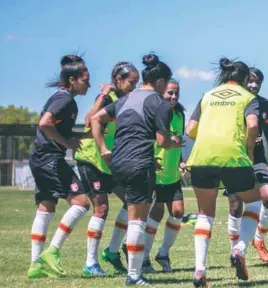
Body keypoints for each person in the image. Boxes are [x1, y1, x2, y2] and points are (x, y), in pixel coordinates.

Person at [91, 53, 182, 285]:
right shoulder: (159, 103)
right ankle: (134, 275)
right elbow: (162, 141)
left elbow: (95, 119)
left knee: (132, 214)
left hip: (119, 163)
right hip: (139, 162)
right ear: (161, 81)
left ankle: (118, 256)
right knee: (138, 221)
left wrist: (103, 149)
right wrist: (175, 143)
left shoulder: (126, 98)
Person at [185, 58, 261, 287]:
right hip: (233, 156)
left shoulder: (207, 96)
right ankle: (239, 249)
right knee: (255, 203)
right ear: (246, 79)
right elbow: (253, 125)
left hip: (201, 156)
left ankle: (199, 270)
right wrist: (249, 149)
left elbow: (190, 130)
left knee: (204, 214)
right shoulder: (248, 98)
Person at [27, 55, 91, 279]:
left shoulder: (63, 98)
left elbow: (55, 127)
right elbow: (44, 123)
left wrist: (78, 136)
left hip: (40, 157)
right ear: (72, 80)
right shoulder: (65, 99)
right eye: (86, 79)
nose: (89, 84)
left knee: (46, 207)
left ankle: (35, 265)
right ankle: (52, 251)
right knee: (82, 203)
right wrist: (66, 143)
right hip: (50, 159)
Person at [75, 61, 139, 276]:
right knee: (101, 209)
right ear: (118, 80)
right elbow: (87, 120)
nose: (134, 86)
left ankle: (112, 251)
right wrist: (102, 94)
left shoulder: (126, 101)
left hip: (111, 163)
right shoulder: (107, 98)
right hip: (93, 159)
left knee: (132, 200)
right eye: (131, 82)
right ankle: (90, 263)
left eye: (136, 83)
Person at [225, 67, 268, 263]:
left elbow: (266, 128)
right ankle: (235, 253)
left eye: (258, 82)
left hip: (257, 159)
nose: (254, 85)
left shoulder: (265, 104)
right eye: (251, 81)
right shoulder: (232, 101)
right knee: (235, 205)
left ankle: (259, 240)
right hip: (235, 158)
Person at [141, 78, 186, 273]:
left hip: (172, 173)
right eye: (170, 93)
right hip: (156, 172)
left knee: (177, 212)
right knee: (156, 213)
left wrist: (180, 160)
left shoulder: (179, 114)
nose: (174, 96)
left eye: (176, 93)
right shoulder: (154, 112)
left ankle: (163, 253)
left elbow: (178, 140)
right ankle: (143, 258)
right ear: (161, 93)